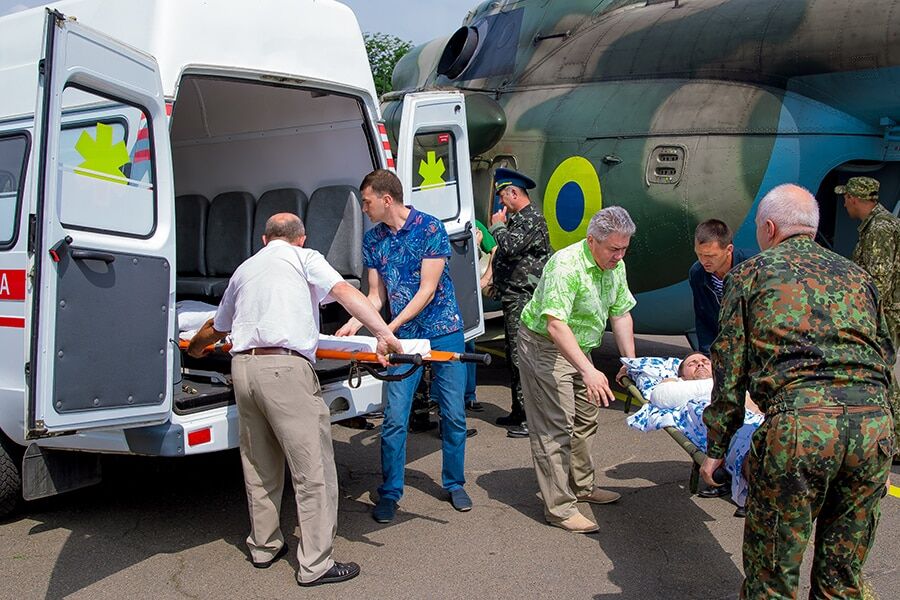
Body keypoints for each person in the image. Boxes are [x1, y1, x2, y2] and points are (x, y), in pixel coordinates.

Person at [700, 184, 898, 598]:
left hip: (801, 430)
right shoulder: (857, 276)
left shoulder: (751, 274)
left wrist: (716, 446)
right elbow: (885, 352)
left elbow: (729, 367)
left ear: (769, 228)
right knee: (842, 578)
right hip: (873, 429)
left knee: (773, 575)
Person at [187, 213, 404, 587]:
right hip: (285, 371)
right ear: (301, 238)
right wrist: (383, 334)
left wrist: (196, 349)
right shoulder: (305, 258)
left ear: (264, 239)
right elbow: (346, 294)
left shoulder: (245, 269)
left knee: (259, 464)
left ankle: (264, 546)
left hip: (243, 370)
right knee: (312, 470)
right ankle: (316, 565)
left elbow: (216, 327)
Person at [336, 169, 471, 523]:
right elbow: (375, 295)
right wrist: (355, 321)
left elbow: (427, 291)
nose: (363, 208)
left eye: (366, 201)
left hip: (443, 330)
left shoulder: (430, 229)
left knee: (453, 412)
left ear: (386, 199)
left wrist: (387, 330)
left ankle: (454, 482)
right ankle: (390, 491)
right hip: (401, 338)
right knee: (395, 418)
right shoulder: (373, 241)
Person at [517, 206, 637, 533]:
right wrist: (588, 370)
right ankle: (559, 508)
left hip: (579, 346)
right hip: (544, 346)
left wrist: (630, 363)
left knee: (587, 417)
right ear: (592, 241)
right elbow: (555, 325)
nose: (619, 256)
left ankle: (582, 486)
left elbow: (621, 313)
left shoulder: (616, 266)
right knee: (555, 426)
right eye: (614, 249)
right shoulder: (565, 266)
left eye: (624, 248)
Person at [488, 168, 552, 437]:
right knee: (514, 354)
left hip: (524, 297)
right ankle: (519, 410)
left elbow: (511, 247)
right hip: (513, 294)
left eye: (503, 196)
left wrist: (497, 227)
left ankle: (530, 419)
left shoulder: (531, 218)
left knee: (522, 357)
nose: (502, 201)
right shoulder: (520, 219)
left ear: (514, 193)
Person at [838, 176, 900, 350]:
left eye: (845, 199)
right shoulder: (878, 223)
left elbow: (878, 280)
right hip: (883, 313)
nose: (844, 205)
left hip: (884, 317)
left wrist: (864, 315)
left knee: (878, 368)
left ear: (853, 198)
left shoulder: (879, 228)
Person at [688, 219, 753, 355]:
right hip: (723, 350)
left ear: (729, 250)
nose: (704, 261)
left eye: (710, 256)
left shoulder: (753, 267)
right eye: (699, 254)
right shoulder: (697, 273)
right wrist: (708, 356)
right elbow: (703, 318)